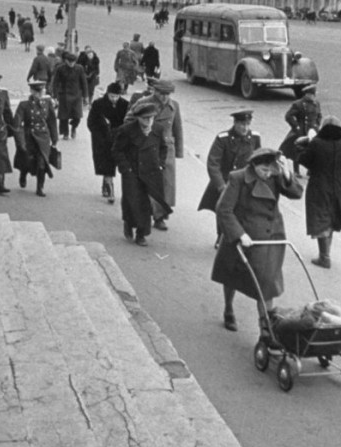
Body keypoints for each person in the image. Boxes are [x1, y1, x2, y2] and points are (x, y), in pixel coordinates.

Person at [211, 148, 303, 332]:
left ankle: (265, 331)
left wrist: (287, 174)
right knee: (231, 276)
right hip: (244, 237)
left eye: (270, 170)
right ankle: (228, 308)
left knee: (267, 286)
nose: (267, 174)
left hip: (269, 238)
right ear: (254, 165)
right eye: (263, 170)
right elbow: (224, 209)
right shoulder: (238, 178)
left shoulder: (275, 175)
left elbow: (296, 194)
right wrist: (239, 234)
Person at [198, 109, 262, 276]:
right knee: (224, 210)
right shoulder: (223, 138)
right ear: (235, 123)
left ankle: (239, 237)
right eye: (241, 124)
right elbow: (213, 164)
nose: (245, 128)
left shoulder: (255, 137)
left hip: (246, 183)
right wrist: (221, 186)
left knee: (244, 211)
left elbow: (258, 159)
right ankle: (222, 237)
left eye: (247, 124)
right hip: (226, 181)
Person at [126, 78, 183, 231]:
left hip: (166, 150)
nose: (164, 97)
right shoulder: (144, 102)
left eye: (167, 94)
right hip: (146, 147)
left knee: (165, 185)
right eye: (161, 93)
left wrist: (178, 150)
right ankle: (142, 213)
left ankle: (160, 217)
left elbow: (177, 128)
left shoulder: (174, 106)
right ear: (155, 91)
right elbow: (128, 120)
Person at [111, 101, 171, 247]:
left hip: (151, 172)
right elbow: (117, 150)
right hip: (132, 172)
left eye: (151, 118)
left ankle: (141, 234)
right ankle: (128, 222)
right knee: (132, 201)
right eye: (145, 118)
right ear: (138, 118)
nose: (148, 121)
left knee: (146, 203)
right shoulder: (126, 130)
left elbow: (163, 148)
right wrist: (126, 169)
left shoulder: (158, 129)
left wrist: (160, 164)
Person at [296, 115, 341, 268]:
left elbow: (305, 160)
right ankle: (326, 254)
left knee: (320, 217)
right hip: (339, 185)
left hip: (319, 185)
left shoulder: (316, 143)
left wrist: (301, 148)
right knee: (332, 217)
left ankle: (324, 257)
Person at [13, 80, 58, 197]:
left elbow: (52, 121)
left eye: (41, 91)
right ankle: (23, 174)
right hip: (29, 137)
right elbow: (17, 124)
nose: (39, 94)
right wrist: (20, 141)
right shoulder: (24, 105)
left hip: (43, 137)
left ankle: (40, 187)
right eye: (36, 92)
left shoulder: (47, 103)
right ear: (31, 91)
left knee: (42, 162)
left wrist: (54, 138)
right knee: (27, 161)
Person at [87, 82, 129, 204]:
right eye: (112, 96)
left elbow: (128, 122)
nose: (114, 99)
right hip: (102, 140)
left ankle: (106, 183)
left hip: (119, 138)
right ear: (107, 94)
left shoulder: (125, 105)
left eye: (117, 96)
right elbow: (91, 122)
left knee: (115, 163)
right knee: (106, 163)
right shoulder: (98, 104)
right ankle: (110, 189)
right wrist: (99, 136)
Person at [278, 85, 322, 173]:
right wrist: (296, 126)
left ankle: (310, 170)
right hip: (301, 130)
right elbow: (288, 116)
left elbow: (319, 115)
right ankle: (296, 171)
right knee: (297, 151)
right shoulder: (298, 104)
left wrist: (317, 125)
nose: (312, 97)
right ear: (306, 95)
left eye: (313, 95)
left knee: (313, 151)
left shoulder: (316, 103)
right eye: (311, 95)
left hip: (313, 131)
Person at [51, 50, 88, 139]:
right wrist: (55, 96)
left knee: (77, 116)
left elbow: (84, 82)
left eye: (73, 62)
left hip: (76, 95)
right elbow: (55, 83)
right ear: (66, 61)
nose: (71, 63)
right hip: (64, 94)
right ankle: (65, 133)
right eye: (69, 62)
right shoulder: (60, 69)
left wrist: (86, 96)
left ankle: (74, 127)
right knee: (64, 116)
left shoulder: (79, 68)